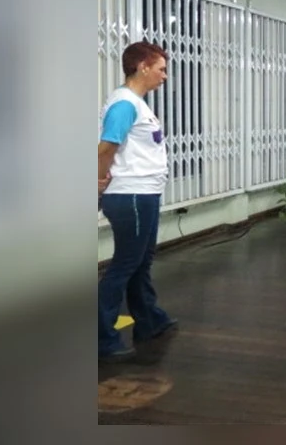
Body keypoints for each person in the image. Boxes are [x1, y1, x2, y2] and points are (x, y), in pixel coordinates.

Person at [97, 40, 178, 362]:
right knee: (125, 265)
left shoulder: (135, 103)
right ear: (143, 67)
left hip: (143, 193)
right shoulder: (124, 105)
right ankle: (101, 338)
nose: (164, 76)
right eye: (161, 69)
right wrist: (97, 181)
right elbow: (106, 147)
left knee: (141, 261)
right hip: (130, 194)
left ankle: (149, 321)